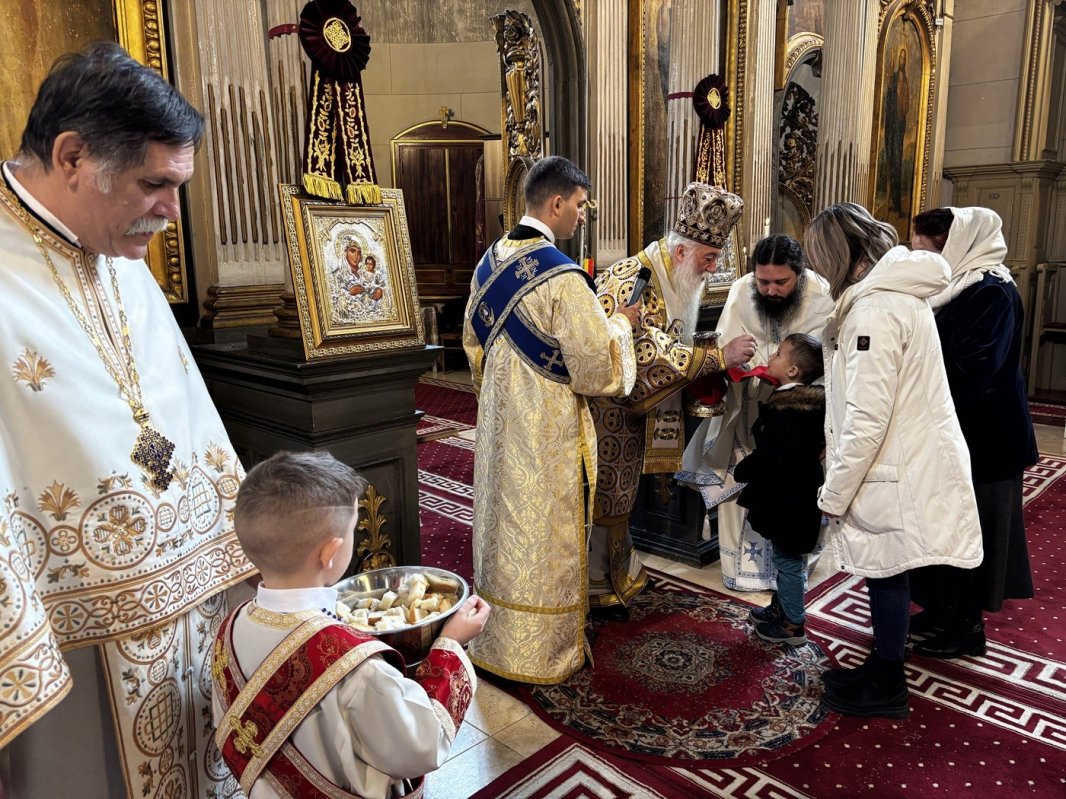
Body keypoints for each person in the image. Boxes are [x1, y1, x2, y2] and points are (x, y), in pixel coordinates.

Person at [0, 43, 255, 797]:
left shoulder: (117, 245)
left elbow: (179, 406)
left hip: (189, 615)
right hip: (71, 640)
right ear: (73, 156)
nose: (172, 215)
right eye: (155, 185)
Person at [212, 451, 489, 798]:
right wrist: (449, 645)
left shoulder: (226, 630)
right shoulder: (355, 667)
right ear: (331, 553)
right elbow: (421, 744)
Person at [462, 155, 640, 684]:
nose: (583, 216)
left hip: (500, 427)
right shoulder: (563, 279)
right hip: (547, 436)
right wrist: (622, 326)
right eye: (581, 205)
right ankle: (542, 652)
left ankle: (493, 638)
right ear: (556, 203)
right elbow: (598, 371)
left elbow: (474, 347)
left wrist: (503, 395)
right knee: (546, 533)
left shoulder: (488, 261)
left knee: (504, 527)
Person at [804, 202, 981, 719]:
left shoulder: (875, 310)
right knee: (890, 568)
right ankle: (883, 665)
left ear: (840, 256)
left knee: (887, 569)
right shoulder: (892, 297)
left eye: (821, 259)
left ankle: (886, 682)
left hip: (896, 461)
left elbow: (867, 419)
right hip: (906, 454)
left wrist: (832, 494)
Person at [587, 182, 757, 615]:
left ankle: (616, 574)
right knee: (609, 494)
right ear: (682, 253)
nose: (713, 268)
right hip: (609, 411)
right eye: (708, 258)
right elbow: (640, 353)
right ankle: (593, 585)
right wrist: (718, 356)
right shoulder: (633, 279)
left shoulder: (672, 276)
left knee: (620, 496)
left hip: (633, 412)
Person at [907, 207, 1038, 658]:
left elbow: (976, 370)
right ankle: (942, 608)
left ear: (956, 244)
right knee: (943, 527)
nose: (919, 252)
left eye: (928, 244)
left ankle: (966, 627)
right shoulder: (954, 287)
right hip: (954, 432)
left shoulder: (992, 293)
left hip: (987, 439)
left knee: (973, 531)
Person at [678, 234, 834, 591]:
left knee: (795, 490)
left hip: (802, 417)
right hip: (749, 410)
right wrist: (736, 354)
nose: (771, 291)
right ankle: (744, 572)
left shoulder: (820, 294)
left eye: (781, 282)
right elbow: (725, 342)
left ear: (799, 273)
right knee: (745, 483)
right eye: (763, 281)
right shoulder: (742, 289)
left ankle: (792, 572)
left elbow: (827, 356)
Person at [734, 333, 826, 647]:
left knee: (788, 560)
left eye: (779, 354)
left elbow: (773, 455)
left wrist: (744, 469)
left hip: (789, 500)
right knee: (786, 557)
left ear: (792, 372)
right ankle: (783, 606)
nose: (771, 356)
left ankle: (792, 624)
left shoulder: (788, 412)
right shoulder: (810, 405)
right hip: (796, 496)